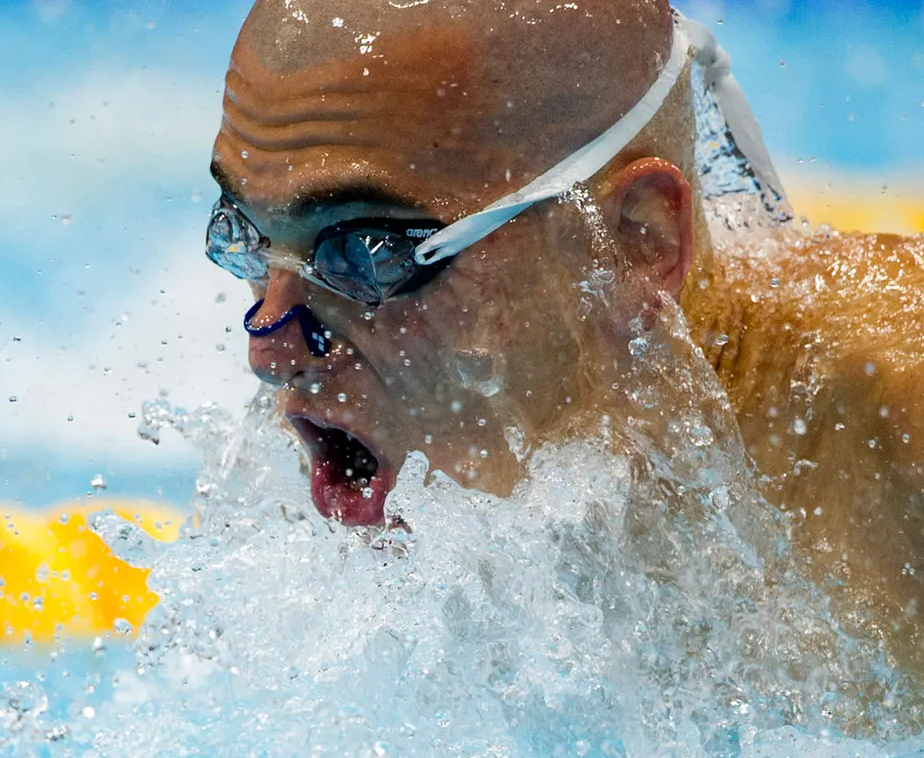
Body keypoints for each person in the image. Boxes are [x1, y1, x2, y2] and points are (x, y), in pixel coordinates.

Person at [203, 0, 924, 668]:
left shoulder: (897, 433)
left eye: (370, 253)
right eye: (245, 237)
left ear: (636, 241)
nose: (270, 349)